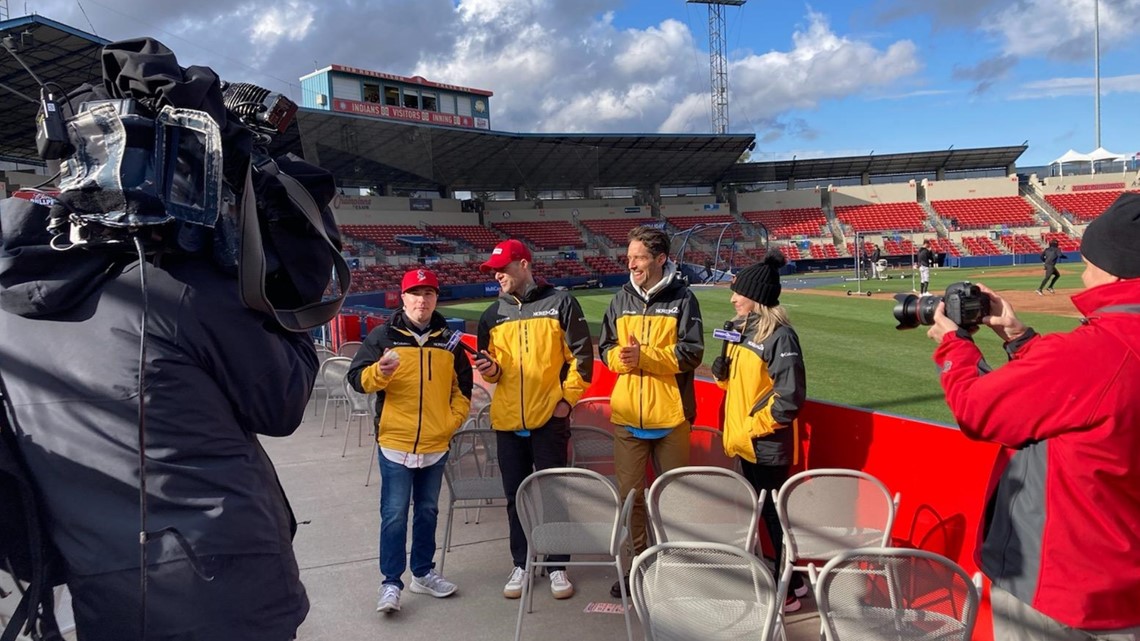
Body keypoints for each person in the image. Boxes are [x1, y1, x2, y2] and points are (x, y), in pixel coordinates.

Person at [0, 39, 332, 641]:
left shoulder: (10, 308)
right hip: (227, 597)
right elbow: (283, 402)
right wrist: (286, 298)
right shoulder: (177, 293)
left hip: (104, 599)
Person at [926, 193, 1140, 640]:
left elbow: (977, 411)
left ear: (1116, 266)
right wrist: (1019, 336)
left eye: (1088, 259)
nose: (1083, 270)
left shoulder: (1096, 352)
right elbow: (1089, 394)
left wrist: (955, 346)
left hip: (1067, 587)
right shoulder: (1104, 350)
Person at [347, 268, 472, 615]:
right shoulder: (382, 337)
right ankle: (390, 582)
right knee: (394, 515)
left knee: (428, 511)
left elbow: (462, 388)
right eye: (415, 294)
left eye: (429, 293)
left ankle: (423, 572)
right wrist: (378, 374)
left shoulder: (448, 340)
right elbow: (356, 379)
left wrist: (452, 422)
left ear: (436, 298)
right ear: (402, 298)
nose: (422, 300)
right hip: (395, 443)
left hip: (436, 443)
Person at [474, 239, 594, 601]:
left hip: (549, 420)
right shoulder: (492, 314)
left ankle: (558, 566)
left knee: (555, 494)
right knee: (515, 496)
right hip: (508, 421)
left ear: (524, 265)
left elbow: (583, 360)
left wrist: (565, 402)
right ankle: (522, 563)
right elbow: (493, 373)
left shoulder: (561, 303)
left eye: (504, 268)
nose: (498, 275)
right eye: (493, 270)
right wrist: (491, 370)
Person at [598, 225, 704, 598]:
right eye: (629, 258)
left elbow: (692, 353)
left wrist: (646, 357)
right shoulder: (620, 298)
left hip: (671, 417)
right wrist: (622, 360)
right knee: (631, 499)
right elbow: (606, 348)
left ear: (660, 259)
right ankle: (637, 567)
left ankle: (676, 568)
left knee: (674, 499)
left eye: (639, 257)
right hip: (628, 418)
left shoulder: (684, 299)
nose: (632, 264)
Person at [710, 250, 809, 613]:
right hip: (744, 443)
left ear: (757, 298)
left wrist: (751, 429)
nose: (732, 298)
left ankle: (787, 589)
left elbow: (789, 399)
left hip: (765, 446)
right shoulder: (739, 329)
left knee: (773, 518)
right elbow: (737, 389)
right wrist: (722, 374)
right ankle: (791, 583)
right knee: (765, 518)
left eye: (738, 292)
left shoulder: (781, 337)